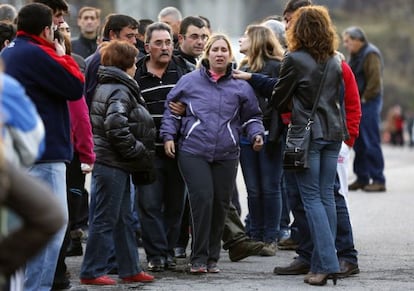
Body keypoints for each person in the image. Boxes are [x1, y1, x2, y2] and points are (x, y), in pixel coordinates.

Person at [160, 33, 265, 274]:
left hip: (227, 153)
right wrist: (168, 136)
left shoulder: (241, 86)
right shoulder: (189, 81)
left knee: (220, 204)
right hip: (193, 150)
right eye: (215, 49)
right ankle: (197, 258)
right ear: (207, 54)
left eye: (224, 50)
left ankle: (212, 258)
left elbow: (251, 117)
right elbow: (171, 110)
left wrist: (257, 134)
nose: (219, 54)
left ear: (230, 55)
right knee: (202, 200)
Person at [1, 3, 84, 291]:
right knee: (53, 224)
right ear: (46, 29)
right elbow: (75, 86)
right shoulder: (36, 53)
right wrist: (63, 56)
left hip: (20, 154)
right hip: (44, 154)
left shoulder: (10, 50)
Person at [271, 6, 348, 285]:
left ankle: (326, 264)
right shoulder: (336, 59)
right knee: (326, 196)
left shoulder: (294, 58)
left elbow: (278, 98)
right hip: (333, 133)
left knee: (312, 198)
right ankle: (325, 260)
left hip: (307, 135)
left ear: (297, 30)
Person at [79, 40, 155, 286]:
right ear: (127, 63)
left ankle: (130, 268)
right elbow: (115, 126)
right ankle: (91, 271)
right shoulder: (119, 89)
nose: (137, 64)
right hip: (113, 162)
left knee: (123, 218)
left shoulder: (113, 85)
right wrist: (137, 150)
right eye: (134, 60)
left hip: (115, 162)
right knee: (105, 218)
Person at [134, 21, 193, 273]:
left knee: (175, 206)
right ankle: (155, 254)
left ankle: (168, 251)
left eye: (168, 42)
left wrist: (188, 108)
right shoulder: (135, 73)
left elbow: (204, 104)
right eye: (158, 43)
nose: (165, 47)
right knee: (148, 205)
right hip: (147, 152)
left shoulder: (184, 71)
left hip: (178, 151)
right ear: (147, 46)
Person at [237, 24, 284, 256]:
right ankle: (254, 235)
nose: (240, 40)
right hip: (246, 135)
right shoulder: (242, 66)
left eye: (245, 36)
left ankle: (270, 237)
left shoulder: (277, 66)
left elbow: (279, 94)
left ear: (256, 40)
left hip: (270, 134)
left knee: (270, 187)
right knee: (253, 189)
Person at [343, 26, 386, 192]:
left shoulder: (370, 53)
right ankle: (362, 177)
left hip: (368, 102)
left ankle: (378, 178)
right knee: (359, 141)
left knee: (370, 141)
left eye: (348, 41)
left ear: (357, 40)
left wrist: (362, 99)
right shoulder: (355, 55)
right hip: (358, 103)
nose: (346, 44)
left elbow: (375, 82)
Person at [84, 13, 139, 108]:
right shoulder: (105, 57)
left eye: (135, 36)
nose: (134, 41)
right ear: (113, 35)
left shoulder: (108, 55)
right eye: (129, 36)